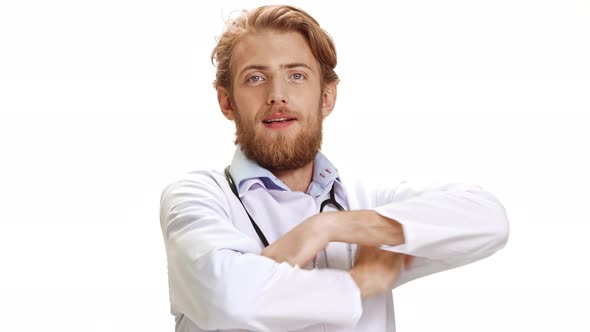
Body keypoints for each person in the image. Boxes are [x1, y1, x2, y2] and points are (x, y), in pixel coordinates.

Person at [159, 5, 509, 332]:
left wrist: (327, 227)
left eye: (296, 75)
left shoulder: (364, 201)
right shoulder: (199, 197)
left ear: (327, 97)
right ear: (226, 101)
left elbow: (489, 220)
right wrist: (359, 283)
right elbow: (230, 297)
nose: (277, 95)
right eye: (255, 78)